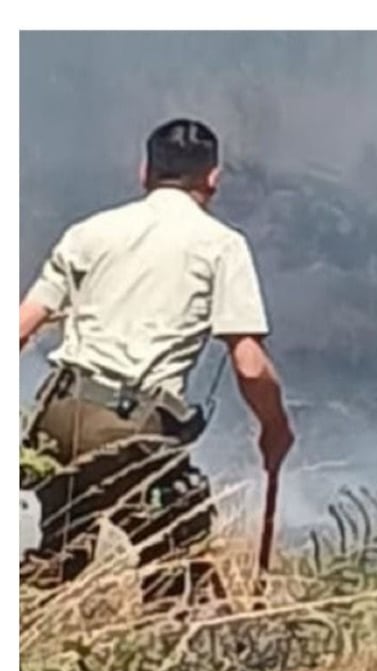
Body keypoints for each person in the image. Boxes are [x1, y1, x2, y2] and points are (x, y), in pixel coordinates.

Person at [18, 118, 295, 603]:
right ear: (213, 178)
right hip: (131, 428)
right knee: (177, 549)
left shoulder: (90, 231)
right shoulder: (221, 247)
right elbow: (249, 363)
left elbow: (21, 326)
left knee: (53, 554)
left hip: (58, 411)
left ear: (144, 170)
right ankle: (159, 664)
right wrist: (275, 428)